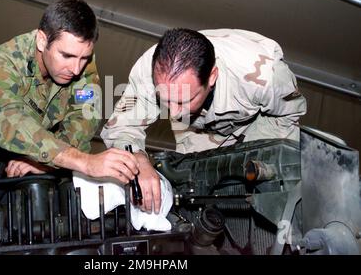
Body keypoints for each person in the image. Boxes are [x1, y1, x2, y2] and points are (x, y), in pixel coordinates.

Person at [101, 28, 307, 214]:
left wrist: (244, 154)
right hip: (196, 129)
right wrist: (139, 160)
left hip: (258, 123)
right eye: (165, 100)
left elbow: (288, 115)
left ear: (212, 77)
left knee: (264, 193)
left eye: (183, 100)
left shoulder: (264, 75)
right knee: (195, 192)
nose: (173, 111)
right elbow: (121, 126)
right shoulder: (150, 73)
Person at [0, 0, 138, 186]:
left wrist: (47, 162)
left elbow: (85, 115)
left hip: (41, 157)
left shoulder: (81, 59)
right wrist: (83, 161)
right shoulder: (3, 62)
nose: (76, 69)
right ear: (42, 41)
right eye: (66, 56)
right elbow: (8, 121)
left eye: (84, 57)